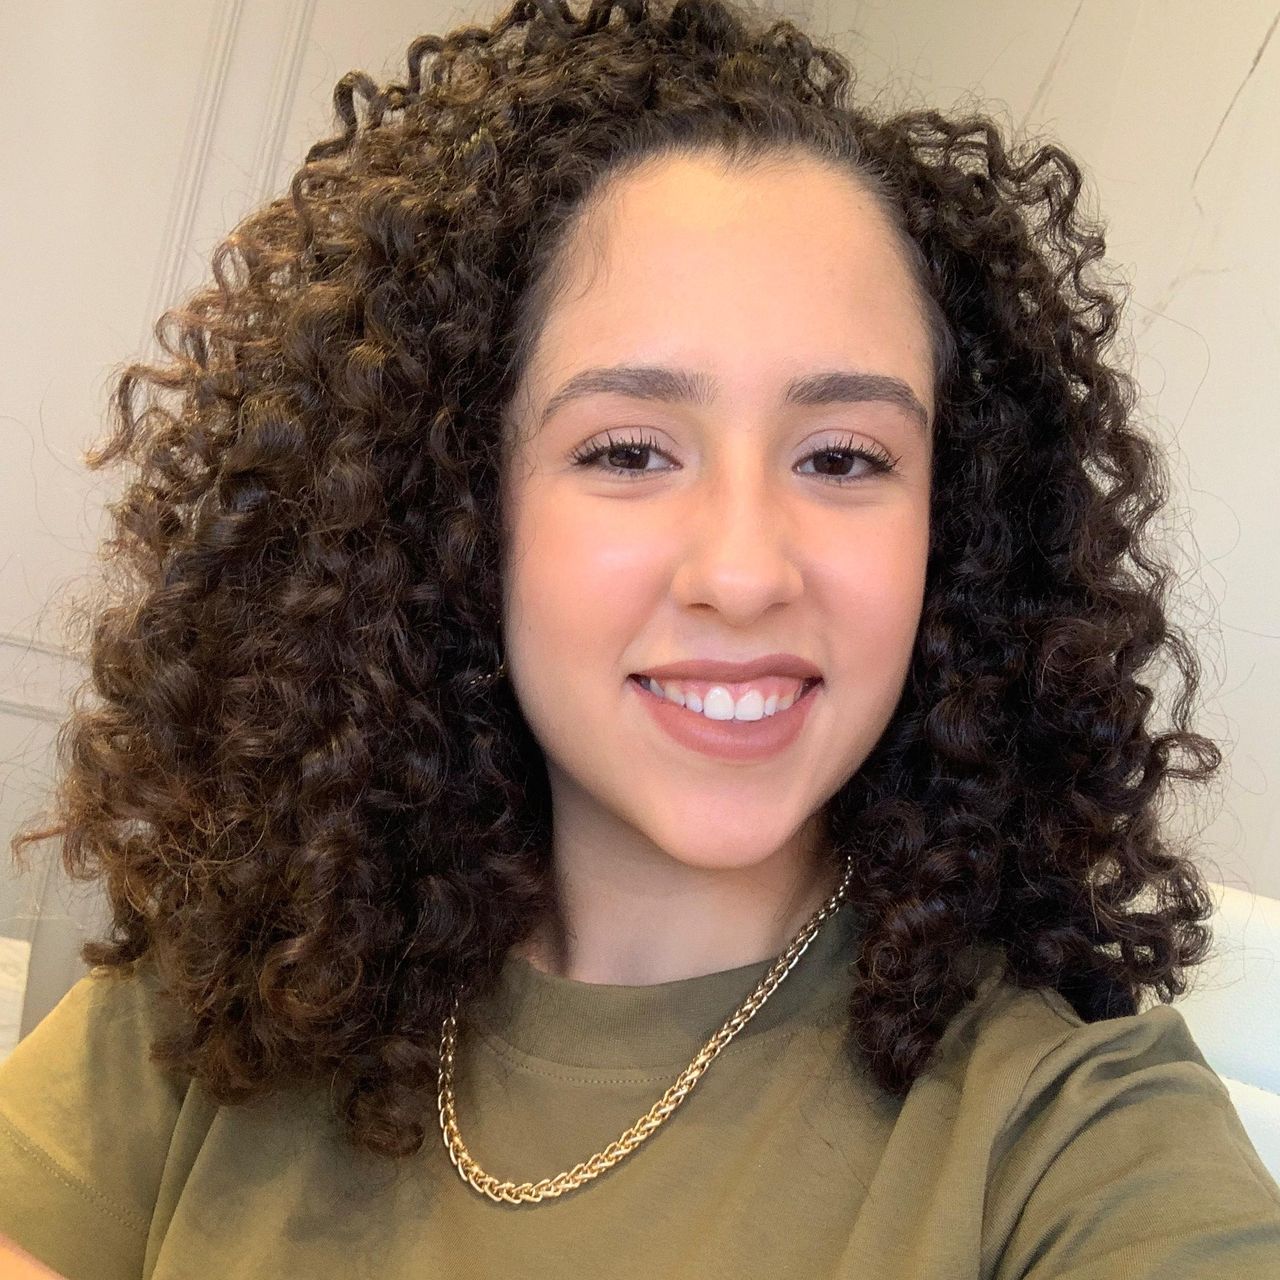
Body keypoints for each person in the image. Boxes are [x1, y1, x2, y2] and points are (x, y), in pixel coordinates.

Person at [2, 0, 1278, 1275]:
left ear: (952, 527)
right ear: (455, 504)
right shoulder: (235, 982)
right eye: (625, 451)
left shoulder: (1070, 1133)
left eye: (843, 457)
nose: (743, 571)